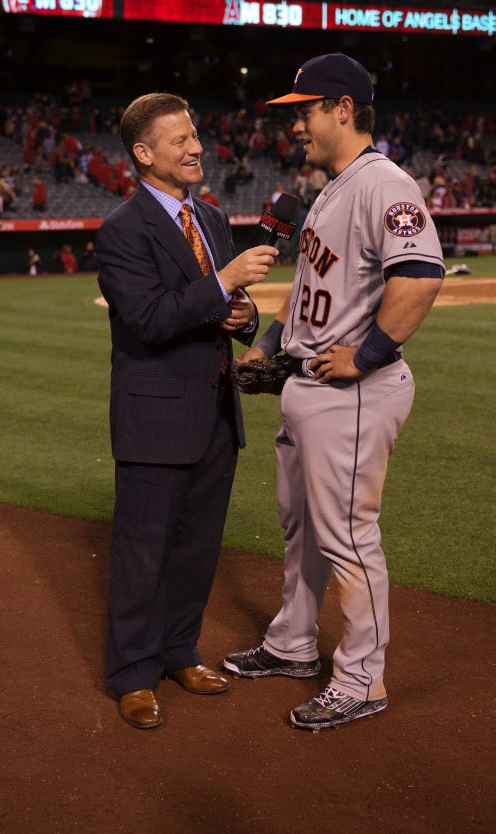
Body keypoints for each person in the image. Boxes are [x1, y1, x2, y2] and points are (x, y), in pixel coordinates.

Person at [223, 53, 444, 731]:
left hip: (351, 393)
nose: (294, 125)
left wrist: (370, 352)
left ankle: (361, 678)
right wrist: (268, 345)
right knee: (303, 530)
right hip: (306, 385)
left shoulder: (385, 185)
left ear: (342, 108)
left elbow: (420, 273)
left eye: (304, 110)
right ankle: (291, 645)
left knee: (346, 535)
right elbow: (315, 291)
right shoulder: (328, 190)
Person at [96, 92, 278, 730]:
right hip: (154, 419)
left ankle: (178, 652)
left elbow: (218, 314)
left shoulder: (211, 219)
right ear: (144, 155)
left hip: (216, 415)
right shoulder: (122, 229)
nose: (195, 146)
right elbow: (148, 320)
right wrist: (224, 282)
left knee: (197, 550)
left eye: (194, 134)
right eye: (178, 140)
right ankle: (133, 675)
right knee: (142, 554)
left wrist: (244, 314)